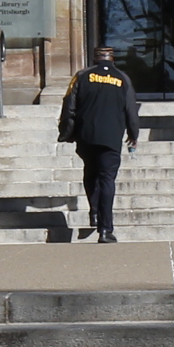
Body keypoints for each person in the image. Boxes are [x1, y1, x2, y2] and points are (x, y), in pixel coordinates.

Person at [53, 43, 140, 244]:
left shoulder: (82, 76)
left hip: (87, 135)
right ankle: (105, 229)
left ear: (94, 59)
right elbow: (131, 110)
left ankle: (94, 210)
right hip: (111, 137)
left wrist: (66, 132)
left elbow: (69, 105)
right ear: (113, 58)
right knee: (107, 179)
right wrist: (133, 133)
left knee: (91, 172)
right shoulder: (123, 78)